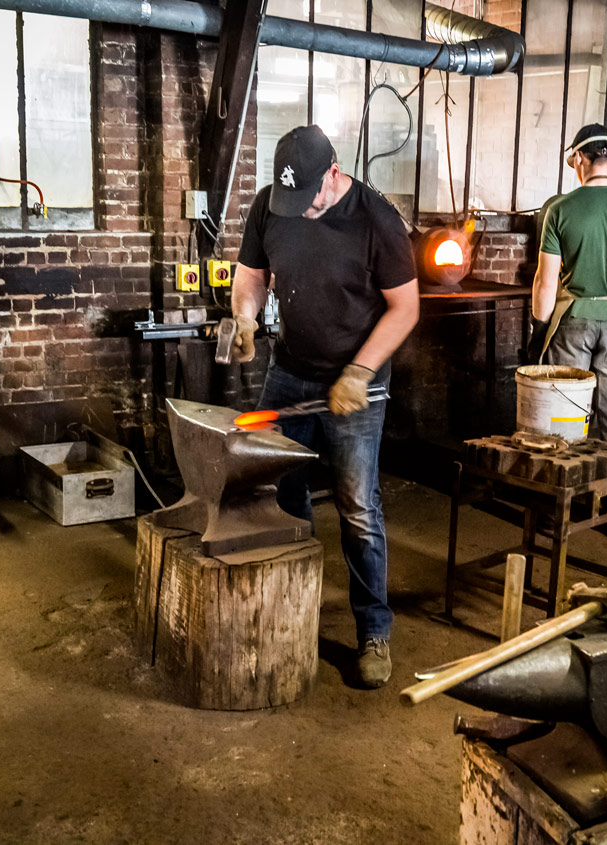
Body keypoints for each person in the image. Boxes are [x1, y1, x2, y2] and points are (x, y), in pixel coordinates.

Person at [229, 125, 420, 689]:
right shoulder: (272, 205)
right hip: (288, 373)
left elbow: (405, 309)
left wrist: (360, 371)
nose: (299, 210)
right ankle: (293, 609)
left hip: (354, 382)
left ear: (334, 173)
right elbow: (251, 277)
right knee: (278, 494)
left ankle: (373, 630)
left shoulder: (377, 218)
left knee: (357, 507)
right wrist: (243, 315)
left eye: (309, 196)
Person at [530, 123, 607, 538]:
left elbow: (546, 285)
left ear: (579, 160)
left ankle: (556, 513)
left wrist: (539, 323)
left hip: (572, 323)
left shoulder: (560, 209)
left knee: (563, 418)